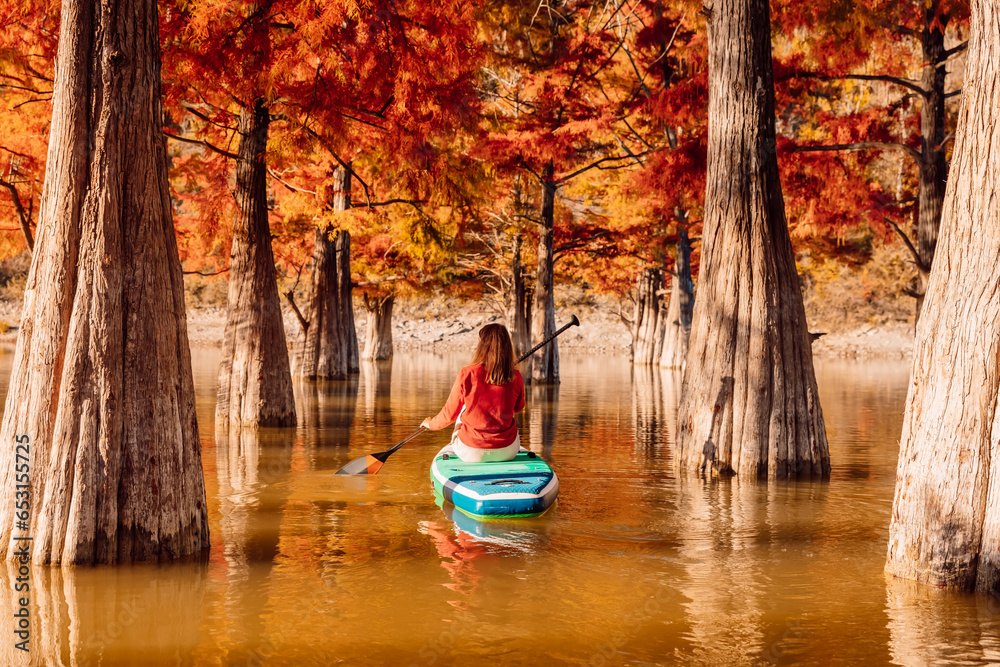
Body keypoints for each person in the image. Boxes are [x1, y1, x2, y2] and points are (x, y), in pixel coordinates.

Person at [420, 323, 525, 463]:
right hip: (507, 451)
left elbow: (450, 413)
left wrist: (431, 424)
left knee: (463, 409)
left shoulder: (467, 373)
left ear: (482, 346)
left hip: (472, 452)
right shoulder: (515, 376)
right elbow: (518, 408)